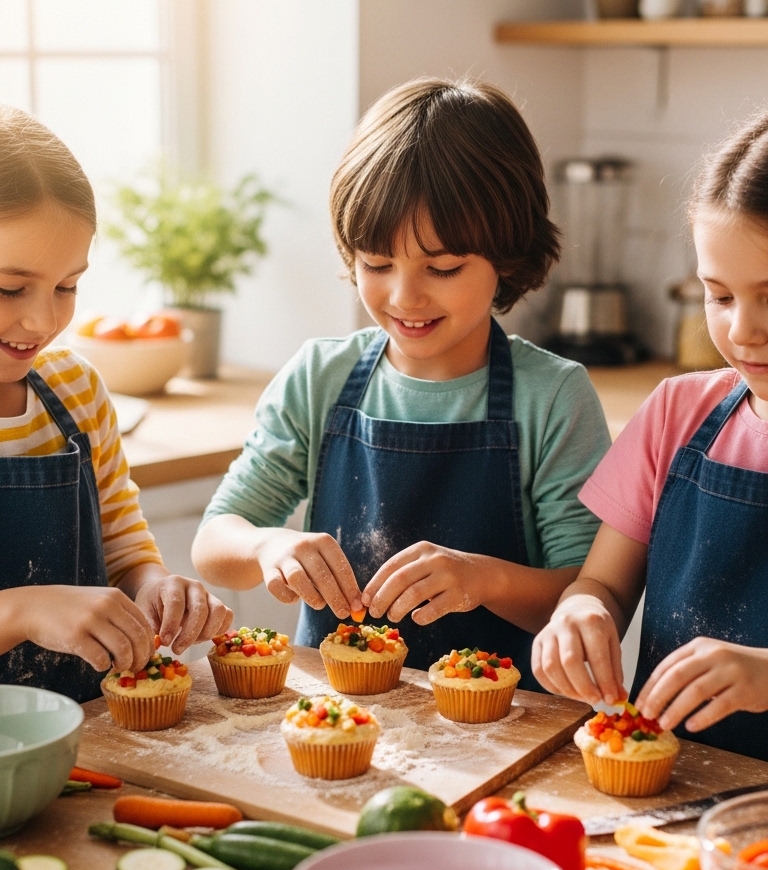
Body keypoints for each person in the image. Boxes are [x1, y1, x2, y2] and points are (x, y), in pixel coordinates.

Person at [192, 78, 610, 684]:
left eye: (442, 268)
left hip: (499, 721)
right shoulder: (320, 377)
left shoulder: (551, 396)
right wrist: (265, 548)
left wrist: (481, 579)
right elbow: (213, 543)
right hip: (336, 714)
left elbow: (586, 594)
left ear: (509, 255)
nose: (404, 296)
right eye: (376, 264)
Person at [533, 111, 768, 759]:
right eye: (719, 297)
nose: (745, 330)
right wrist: (580, 614)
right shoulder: (677, 414)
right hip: (669, 791)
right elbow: (601, 585)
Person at [0, 105, 231, 702]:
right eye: (9, 287)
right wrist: (24, 610)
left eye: (67, 286)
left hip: (88, 740)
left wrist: (153, 584)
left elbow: (123, 543)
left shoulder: (75, 392)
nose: (42, 319)